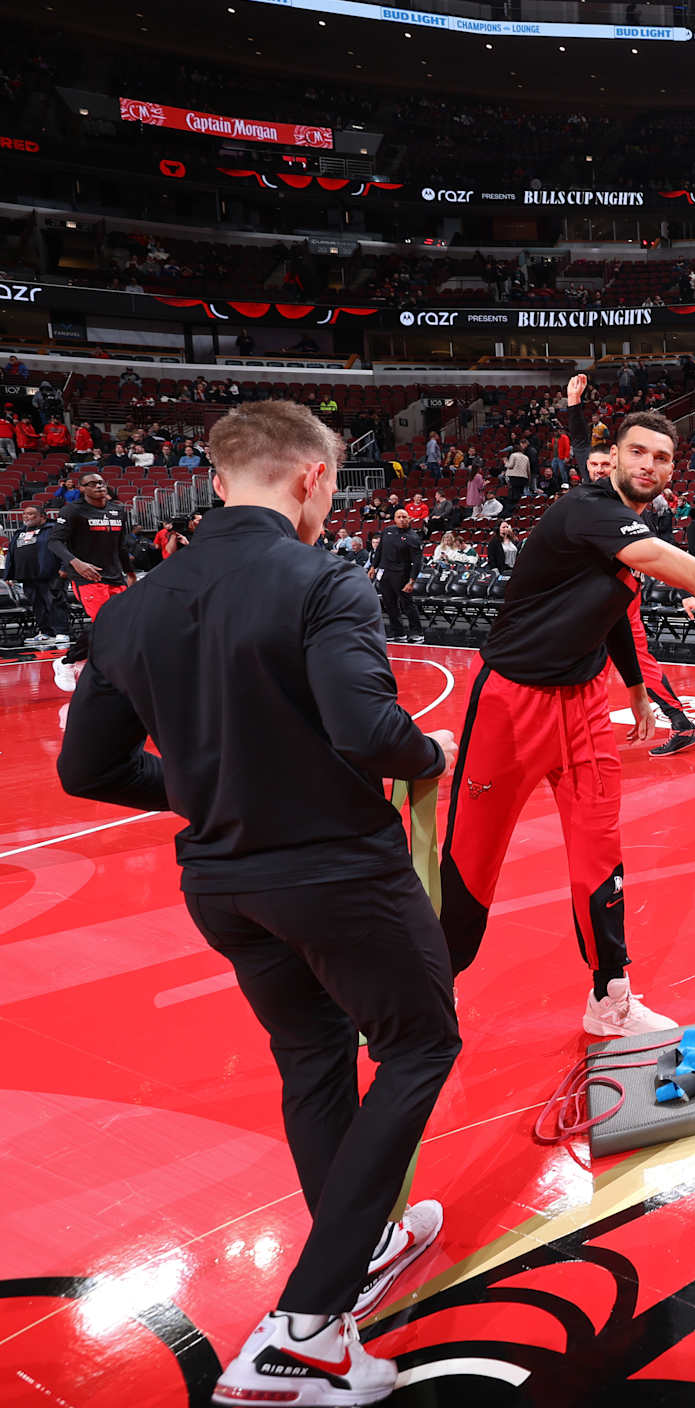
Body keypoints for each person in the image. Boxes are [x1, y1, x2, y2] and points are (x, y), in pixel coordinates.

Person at [55, 400, 461, 1405]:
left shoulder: (132, 607)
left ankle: (352, 1248)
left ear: (222, 474)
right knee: (420, 1044)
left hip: (223, 884)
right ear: (315, 478)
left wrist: (200, 784)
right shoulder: (325, 579)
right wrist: (430, 753)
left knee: (313, 1057)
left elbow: (84, 768)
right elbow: (368, 732)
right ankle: (306, 1329)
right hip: (335, 875)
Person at [438, 381, 695, 1037]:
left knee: (599, 859)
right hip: (511, 704)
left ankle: (609, 999)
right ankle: (431, 990)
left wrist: (634, 688)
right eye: (639, 452)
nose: (649, 466)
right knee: (473, 859)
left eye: (662, 458)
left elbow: (612, 606)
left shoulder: (637, 521)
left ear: (670, 470)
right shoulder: (588, 508)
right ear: (614, 456)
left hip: (580, 706)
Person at [583, 429, 695, 758]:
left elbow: (662, 554)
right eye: (591, 465)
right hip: (597, 595)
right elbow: (582, 447)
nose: (597, 470)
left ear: (616, 464)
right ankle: (680, 723)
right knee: (599, 664)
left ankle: (680, 723)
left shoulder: (634, 504)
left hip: (619, 595)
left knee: (632, 663)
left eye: (603, 465)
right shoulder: (596, 495)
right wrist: (574, 406)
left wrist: (684, 592)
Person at [45, 471, 132, 692]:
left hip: (115, 576)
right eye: (91, 484)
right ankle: (66, 662)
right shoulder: (73, 510)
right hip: (88, 577)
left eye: (101, 482)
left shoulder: (118, 510)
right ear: (81, 489)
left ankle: (96, 666)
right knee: (106, 623)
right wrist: (76, 563)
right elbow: (54, 542)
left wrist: (129, 573)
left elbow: (121, 546)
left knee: (120, 625)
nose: (98, 486)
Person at [4, 503, 69, 649]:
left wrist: (65, 567)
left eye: (31, 514)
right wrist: (9, 575)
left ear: (42, 516)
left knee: (55, 602)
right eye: (24, 514)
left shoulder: (53, 529)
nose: (26, 516)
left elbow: (66, 549)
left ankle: (61, 632)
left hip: (52, 574)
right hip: (28, 576)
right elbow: (11, 554)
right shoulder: (19, 532)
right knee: (38, 606)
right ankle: (45, 632)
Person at [374, 508, 425, 645]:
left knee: (407, 604)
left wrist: (412, 581)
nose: (402, 519)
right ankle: (398, 632)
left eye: (404, 517)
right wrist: (373, 566)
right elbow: (380, 550)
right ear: (394, 519)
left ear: (409, 519)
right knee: (390, 604)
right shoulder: (387, 531)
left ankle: (417, 632)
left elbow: (417, 562)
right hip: (385, 573)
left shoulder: (413, 537)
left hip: (402, 574)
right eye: (399, 517)